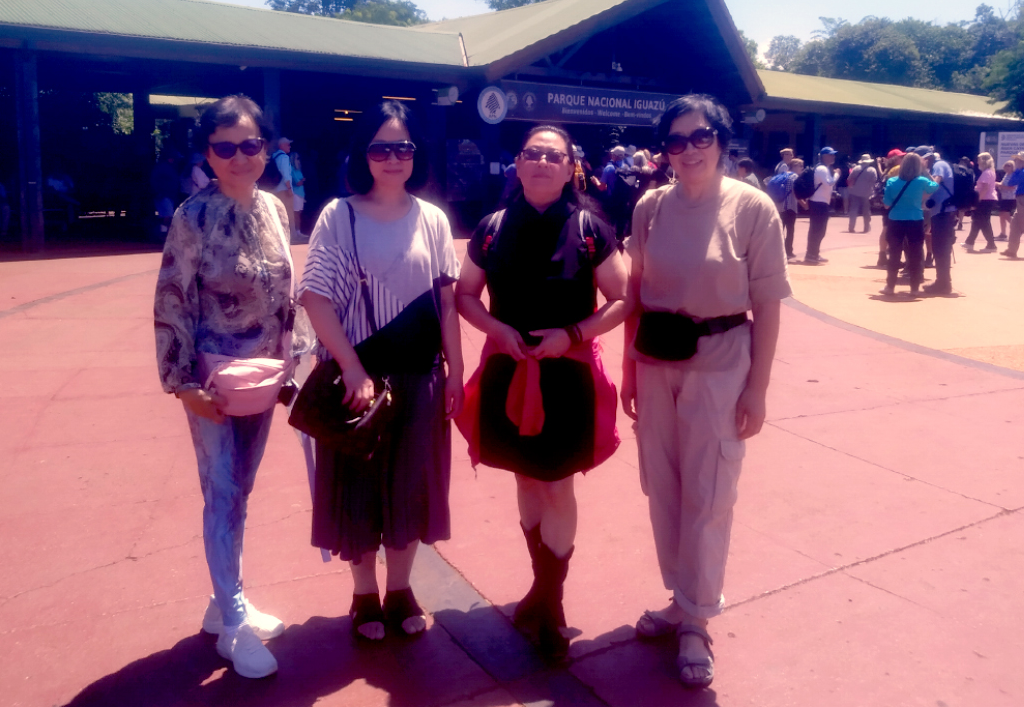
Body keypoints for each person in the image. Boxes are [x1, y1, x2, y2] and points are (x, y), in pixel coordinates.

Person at [621, 95, 790, 689]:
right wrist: (627, 368)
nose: (688, 149)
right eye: (675, 140)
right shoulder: (649, 207)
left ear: (721, 141)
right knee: (661, 487)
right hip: (655, 361)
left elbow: (767, 307)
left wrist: (759, 390)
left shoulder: (753, 208)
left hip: (721, 364)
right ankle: (680, 597)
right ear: (663, 148)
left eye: (700, 137)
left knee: (710, 492)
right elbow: (635, 292)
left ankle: (697, 619)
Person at [454, 124, 629, 661]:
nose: (542, 162)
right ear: (518, 164)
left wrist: (572, 335)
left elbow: (622, 300)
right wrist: (496, 329)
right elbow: (465, 295)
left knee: (557, 486)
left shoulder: (590, 227)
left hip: (565, 374)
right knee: (527, 478)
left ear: (570, 165)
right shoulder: (491, 227)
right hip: (510, 369)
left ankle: (551, 604)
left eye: (554, 155)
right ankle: (540, 590)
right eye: (533, 153)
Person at [299, 100, 464, 643]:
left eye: (403, 148)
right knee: (358, 488)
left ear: (416, 155)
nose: (392, 158)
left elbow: (446, 302)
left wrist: (455, 372)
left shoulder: (433, 219)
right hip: (359, 380)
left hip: (420, 376)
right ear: (363, 154)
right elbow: (317, 298)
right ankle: (364, 592)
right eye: (380, 148)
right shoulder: (338, 215)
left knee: (412, 485)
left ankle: (401, 588)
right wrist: (349, 366)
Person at [154, 95, 295, 678]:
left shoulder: (275, 210)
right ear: (209, 153)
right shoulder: (193, 217)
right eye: (224, 147)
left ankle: (222, 599)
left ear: (266, 148)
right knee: (222, 489)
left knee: (243, 488)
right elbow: (172, 300)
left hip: (263, 380)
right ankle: (234, 623)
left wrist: (293, 364)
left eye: (250, 145)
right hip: (212, 381)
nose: (239, 157)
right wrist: (181, 382)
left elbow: (285, 295)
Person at [881, 151, 938, 296]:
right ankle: (914, 288)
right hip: (915, 219)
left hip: (895, 220)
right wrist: (926, 171)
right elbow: (934, 186)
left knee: (894, 253)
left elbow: (887, 204)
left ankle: (890, 286)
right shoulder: (921, 181)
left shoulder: (892, 182)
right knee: (916, 253)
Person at [923, 152, 957, 296]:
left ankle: (944, 284)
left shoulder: (938, 165)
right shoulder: (940, 164)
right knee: (940, 247)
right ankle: (942, 282)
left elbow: (935, 183)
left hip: (943, 212)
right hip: (942, 212)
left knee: (941, 248)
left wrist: (924, 172)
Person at [804, 146, 839, 263]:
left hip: (821, 202)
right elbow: (829, 183)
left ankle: (814, 253)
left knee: (819, 230)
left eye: (833, 154)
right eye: (831, 154)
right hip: (818, 202)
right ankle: (810, 255)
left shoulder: (825, 168)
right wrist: (837, 175)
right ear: (824, 156)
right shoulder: (822, 169)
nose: (833, 156)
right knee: (817, 230)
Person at [962, 152, 998, 253]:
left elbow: (985, 188)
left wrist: (977, 200)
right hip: (987, 199)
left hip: (985, 200)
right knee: (977, 221)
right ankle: (970, 242)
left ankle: (991, 245)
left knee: (983, 222)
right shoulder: (989, 171)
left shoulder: (987, 172)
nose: (977, 162)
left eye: (979, 160)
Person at [875, 149, 904, 269]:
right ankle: (892, 258)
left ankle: (882, 256)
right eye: (900, 157)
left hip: (886, 202)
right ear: (895, 159)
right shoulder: (897, 170)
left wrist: (878, 164)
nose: (902, 159)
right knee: (893, 231)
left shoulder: (886, 171)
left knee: (886, 229)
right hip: (893, 203)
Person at [846, 155, 879, 233]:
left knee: (853, 209)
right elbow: (874, 181)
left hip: (854, 191)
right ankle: (866, 228)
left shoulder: (856, 168)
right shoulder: (872, 170)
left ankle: (851, 227)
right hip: (866, 193)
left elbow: (849, 179)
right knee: (866, 211)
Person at [996, 159, 1016, 240]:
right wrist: (996, 183)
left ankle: (1016, 228)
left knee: (1006, 215)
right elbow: (1002, 184)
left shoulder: (1013, 176)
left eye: (1009, 166)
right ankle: (1003, 234)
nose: (1007, 167)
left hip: (1010, 198)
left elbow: (1012, 187)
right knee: (1001, 215)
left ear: (1012, 167)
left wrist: (1000, 186)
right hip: (1004, 197)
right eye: (1006, 166)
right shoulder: (1006, 175)